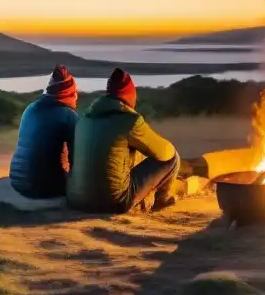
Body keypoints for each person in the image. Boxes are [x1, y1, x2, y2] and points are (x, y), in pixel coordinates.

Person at [66, 67, 181, 214]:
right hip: (114, 202)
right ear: (129, 96)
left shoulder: (84, 120)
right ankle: (161, 200)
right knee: (172, 158)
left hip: (76, 200)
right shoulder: (130, 121)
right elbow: (165, 152)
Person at [8, 64, 80, 199]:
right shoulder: (68, 115)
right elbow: (77, 158)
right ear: (68, 92)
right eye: (75, 92)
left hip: (17, 181)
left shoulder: (30, 108)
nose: (76, 96)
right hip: (44, 186)